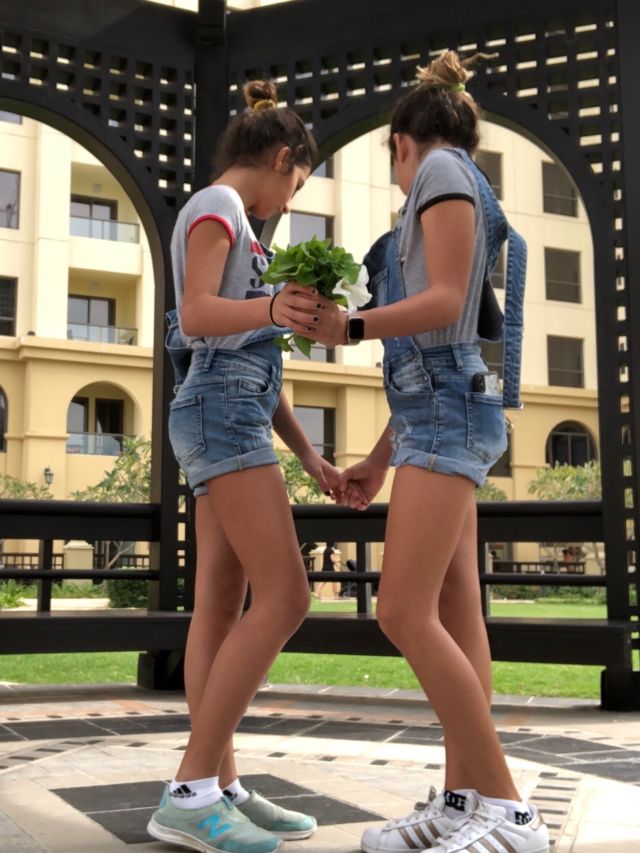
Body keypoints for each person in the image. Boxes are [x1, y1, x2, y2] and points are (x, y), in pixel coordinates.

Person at [333, 52, 549, 853]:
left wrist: (350, 325)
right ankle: (466, 800)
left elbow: (446, 301)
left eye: (392, 163)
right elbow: (442, 351)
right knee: (456, 612)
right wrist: (380, 456)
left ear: (401, 143)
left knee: (400, 610)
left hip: (448, 416)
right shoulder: (452, 174)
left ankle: (511, 810)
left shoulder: (439, 171)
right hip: (439, 413)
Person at [147, 79, 345, 853]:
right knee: (288, 594)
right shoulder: (219, 206)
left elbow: (253, 353)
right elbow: (198, 314)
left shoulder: (238, 222)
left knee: (220, 609)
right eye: (299, 184)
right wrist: (271, 307)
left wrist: (310, 454)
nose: (293, 200)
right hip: (220, 413)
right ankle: (191, 789)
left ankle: (219, 784)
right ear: (282, 158)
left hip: (227, 409)